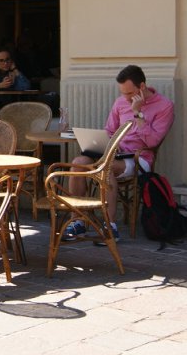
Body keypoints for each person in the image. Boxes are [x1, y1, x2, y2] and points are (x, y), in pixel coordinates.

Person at [64, 65, 175, 243]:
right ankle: (78, 222)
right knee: (78, 163)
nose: (126, 98)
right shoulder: (120, 102)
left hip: (139, 158)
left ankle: (110, 227)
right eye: (123, 93)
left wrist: (137, 113)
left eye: (129, 93)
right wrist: (102, 143)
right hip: (115, 153)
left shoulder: (164, 106)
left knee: (105, 168)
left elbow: (153, 142)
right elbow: (109, 130)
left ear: (142, 86)